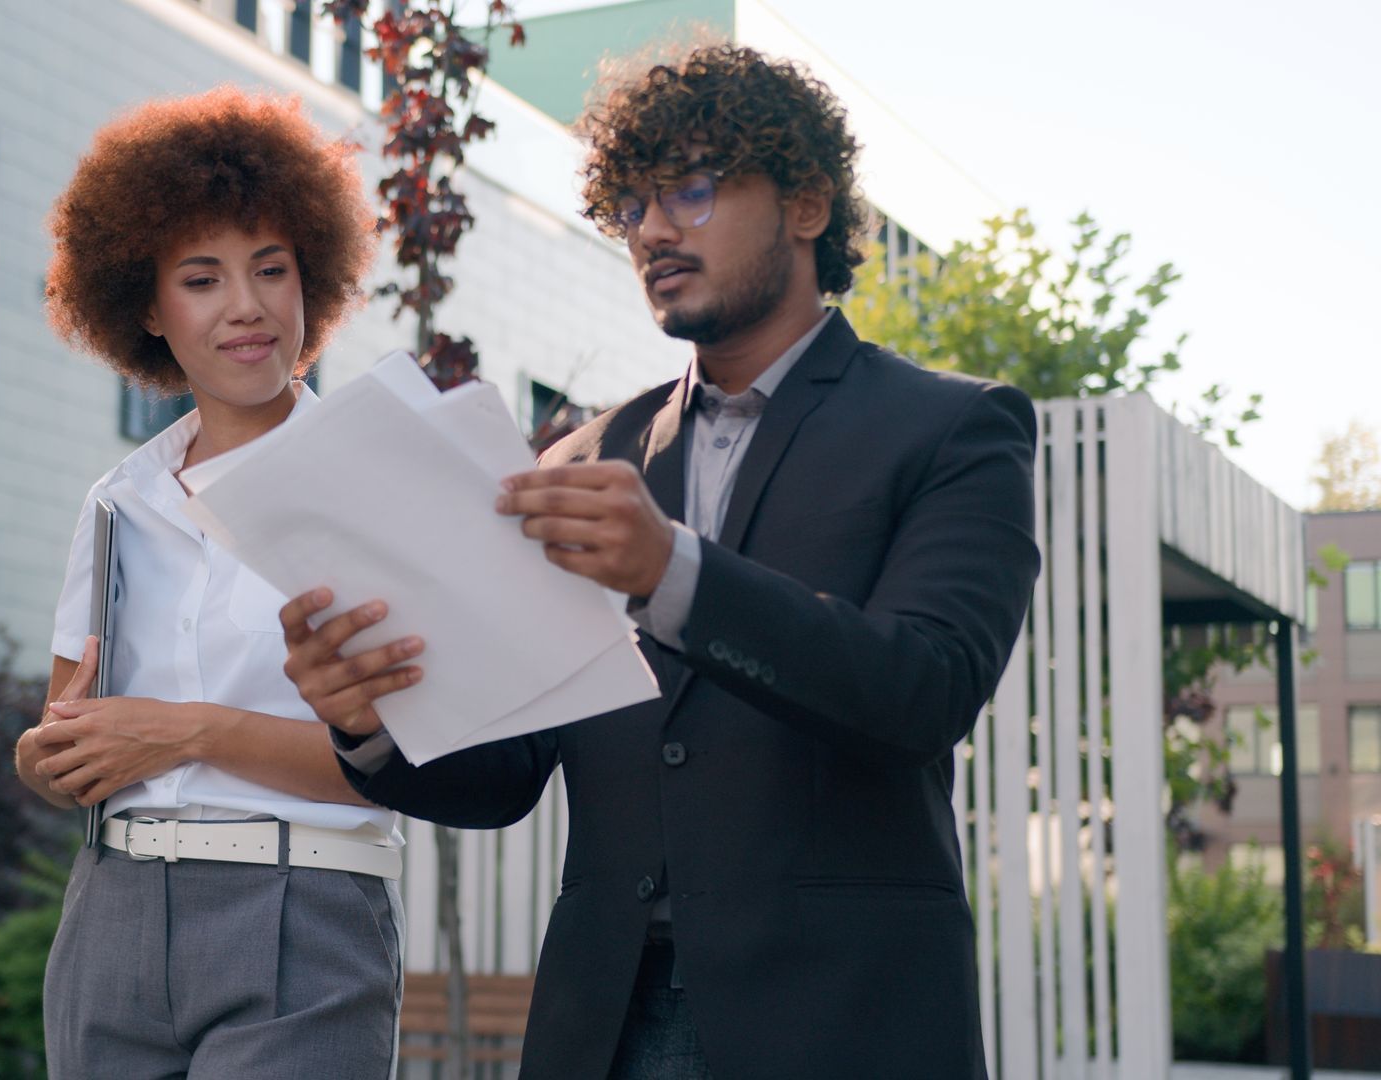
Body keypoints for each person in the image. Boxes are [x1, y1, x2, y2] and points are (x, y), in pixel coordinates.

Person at [278, 43, 1040, 1079]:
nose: (653, 230)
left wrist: (670, 574)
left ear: (808, 202)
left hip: (841, 1018)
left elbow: (925, 688)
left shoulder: (955, 428)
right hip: (605, 1022)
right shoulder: (584, 457)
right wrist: (367, 720)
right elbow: (506, 770)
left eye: (692, 189)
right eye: (631, 205)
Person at [15, 87, 402, 1080]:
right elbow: (66, 733)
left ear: (309, 281)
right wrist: (48, 759)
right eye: (202, 278)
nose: (246, 305)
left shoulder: (375, 484)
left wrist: (187, 732)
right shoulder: (117, 501)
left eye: (271, 269)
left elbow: (409, 759)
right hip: (112, 913)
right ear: (146, 306)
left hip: (301, 913)